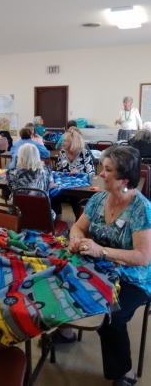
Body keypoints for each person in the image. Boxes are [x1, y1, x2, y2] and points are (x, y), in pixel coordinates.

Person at [69, 145, 151, 386]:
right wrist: (76, 239)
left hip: (133, 277)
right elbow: (78, 226)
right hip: (99, 265)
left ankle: (124, 372)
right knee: (63, 285)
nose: (101, 174)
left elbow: (143, 257)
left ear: (124, 179)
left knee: (111, 316)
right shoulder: (98, 198)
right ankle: (64, 332)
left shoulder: (142, 209)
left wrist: (101, 251)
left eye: (107, 170)